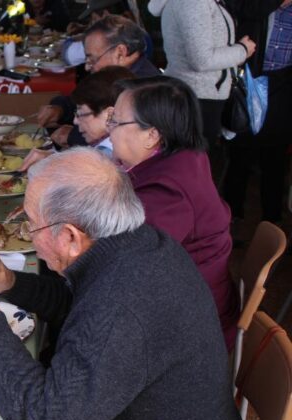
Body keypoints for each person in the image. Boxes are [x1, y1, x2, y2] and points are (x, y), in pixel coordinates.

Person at [0, 147, 244, 420]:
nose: (28, 235)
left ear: (71, 237)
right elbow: (80, 307)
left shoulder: (123, 302)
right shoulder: (138, 244)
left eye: (31, 225)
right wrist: (11, 283)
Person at [109, 75, 239, 350]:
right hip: (192, 301)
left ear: (152, 135)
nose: (109, 129)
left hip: (190, 334)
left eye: (116, 121)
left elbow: (129, 267)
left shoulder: (168, 193)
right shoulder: (184, 155)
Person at [34, 14, 159, 149]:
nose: (87, 67)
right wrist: (61, 108)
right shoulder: (114, 77)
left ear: (120, 52)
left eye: (92, 59)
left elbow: (130, 140)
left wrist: (73, 137)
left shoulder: (145, 88)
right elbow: (89, 101)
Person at [148, 0, 256, 151]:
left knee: (194, 157)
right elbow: (201, 60)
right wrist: (242, 50)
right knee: (195, 159)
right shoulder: (195, 2)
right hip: (197, 97)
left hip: (196, 94)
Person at [223, 0, 292, 224]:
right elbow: (241, 9)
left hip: (282, 86)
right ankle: (231, 216)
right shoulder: (259, 4)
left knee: (275, 158)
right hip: (249, 82)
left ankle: (272, 219)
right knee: (240, 154)